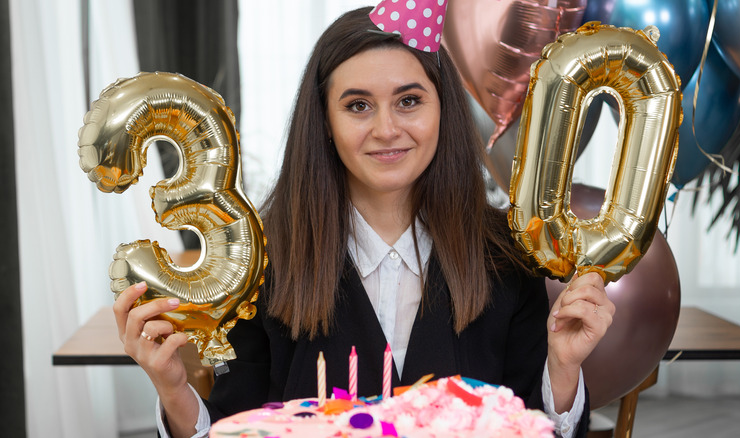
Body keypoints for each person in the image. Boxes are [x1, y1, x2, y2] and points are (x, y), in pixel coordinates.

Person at [113, 6, 615, 438]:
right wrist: (175, 390)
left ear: (444, 111)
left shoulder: (506, 255)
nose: (386, 129)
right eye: (357, 106)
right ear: (325, 122)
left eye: (409, 100)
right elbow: (235, 422)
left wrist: (564, 368)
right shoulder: (267, 262)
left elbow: (536, 424)